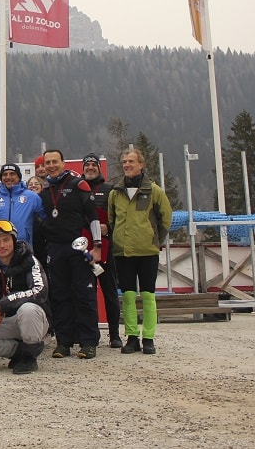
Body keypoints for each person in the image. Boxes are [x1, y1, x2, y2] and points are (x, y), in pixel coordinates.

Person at [108, 147, 173, 356]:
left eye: (131, 162)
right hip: (123, 252)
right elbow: (111, 220)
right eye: (125, 162)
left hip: (147, 251)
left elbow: (166, 219)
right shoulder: (115, 193)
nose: (127, 165)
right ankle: (132, 337)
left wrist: (155, 240)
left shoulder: (154, 191)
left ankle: (149, 338)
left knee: (147, 295)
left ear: (141, 165)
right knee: (127, 295)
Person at [38, 149, 102, 360]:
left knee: (84, 295)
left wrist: (97, 246)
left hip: (78, 247)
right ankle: (64, 342)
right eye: (48, 162)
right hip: (55, 249)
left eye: (55, 161)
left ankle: (89, 342)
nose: (51, 165)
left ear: (63, 163)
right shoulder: (45, 191)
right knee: (59, 296)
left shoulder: (78, 185)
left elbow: (92, 216)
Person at [0, 221, 51, 374]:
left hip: (34, 320)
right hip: (7, 321)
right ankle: (21, 352)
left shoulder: (30, 260)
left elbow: (40, 291)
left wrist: (2, 305)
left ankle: (29, 357)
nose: (2, 245)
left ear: (14, 241)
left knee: (28, 309)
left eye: (6, 240)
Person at [82, 153, 121, 349]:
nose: (90, 168)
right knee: (86, 296)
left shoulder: (109, 189)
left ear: (99, 168)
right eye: (86, 165)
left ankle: (114, 334)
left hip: (105, 248)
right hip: (83, 250)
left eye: (93, 165)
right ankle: (90, 335)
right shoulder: (78, 188)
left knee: (110, 293)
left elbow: (118, 216)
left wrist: (109, 227)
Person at [0, 163, 45, 257]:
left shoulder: (32, 197)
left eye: (12, 174)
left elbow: (46, 219)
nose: (8, 177)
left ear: (19, 177)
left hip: (24, 250)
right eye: (5, 174)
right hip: (0, 250)